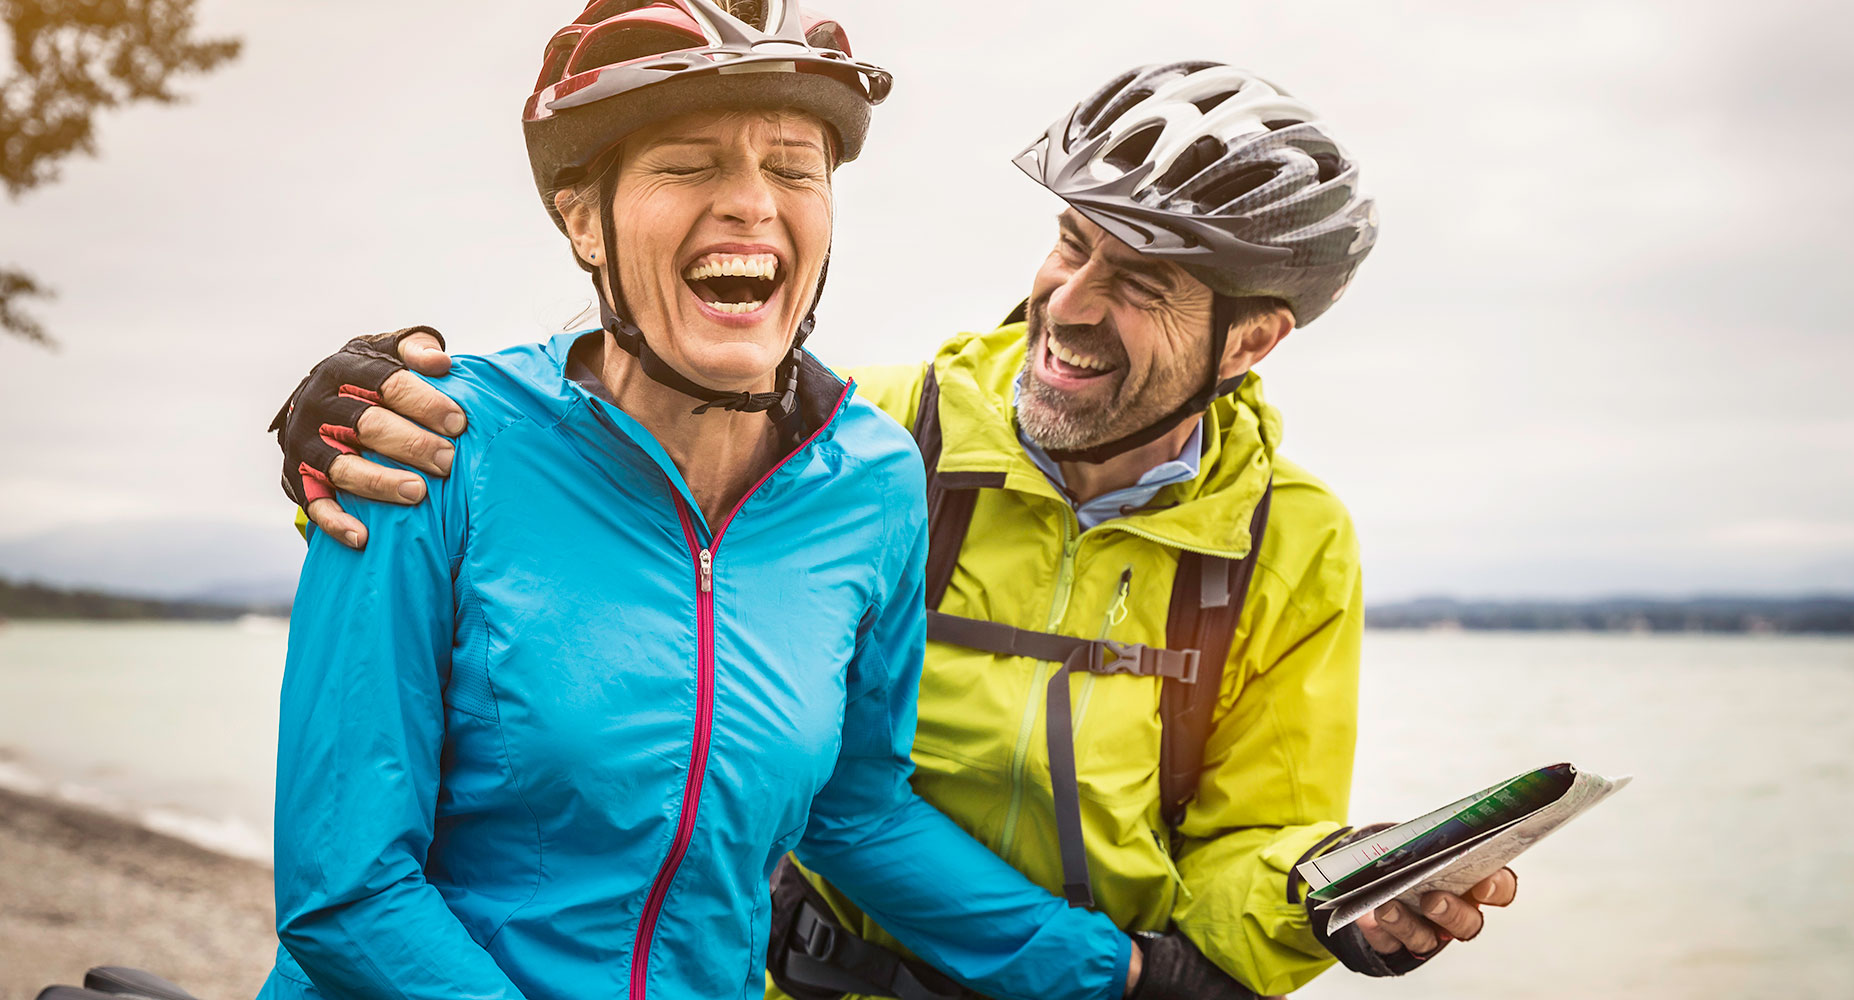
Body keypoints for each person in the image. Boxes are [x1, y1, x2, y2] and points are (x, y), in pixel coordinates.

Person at [269, 58, 1523, 998]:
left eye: (1139, 282)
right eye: (1070, 246)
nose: (1068, 306)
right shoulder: (878, 437)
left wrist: (1322, 902)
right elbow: (345, 880)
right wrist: (344, 416)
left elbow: (866, 806)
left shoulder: (1278, 539)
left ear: (1249, 342)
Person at [256, 3, 1149, 999]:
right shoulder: (431, 443)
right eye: (686, 164)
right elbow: (345, 891)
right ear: (583, 219)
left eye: (792, 168)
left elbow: (857, 813)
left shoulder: (875, 480)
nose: (751, 205)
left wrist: (1115, 971)